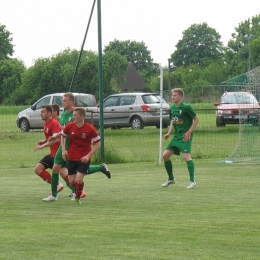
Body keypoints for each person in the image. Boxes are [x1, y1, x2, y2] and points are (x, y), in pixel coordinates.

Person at [43, 93, 110, 202]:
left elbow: (76, 130)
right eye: (62, 100)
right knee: (56, 168)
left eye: (65, 100)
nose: (62, 102)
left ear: (71, 102)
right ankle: (54, 195)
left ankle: (98, 170)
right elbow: (63, 132)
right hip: (64, 146)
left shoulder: (76, 114)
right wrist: (55, 138)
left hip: (75, 147)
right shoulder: (64, 115)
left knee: (80, 173)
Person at [61, 107, 101, 204]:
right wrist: (63, 150)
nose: (73, 117)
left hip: (84, 158)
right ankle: (78, 194)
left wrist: (88, 156)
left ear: (82, 116)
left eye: (75, 115)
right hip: (71, 157)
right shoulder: (70, 126)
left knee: (79, 179)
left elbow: (97, 144)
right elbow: (63, 135)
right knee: (72, 181)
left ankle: (78, 197)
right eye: (73, 115)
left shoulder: (90, 129)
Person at [162, 88, 199, 189]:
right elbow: (173, 122)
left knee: (186, 157)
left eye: (174, 95)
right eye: (172, 95)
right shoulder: (172, 108)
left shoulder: (187, 107)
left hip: (185, 136)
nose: (172, 97)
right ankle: (171, 179)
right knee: (165, 156)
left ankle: (192, 181)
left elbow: (196, 119)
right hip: (176, 137)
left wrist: (189, 131)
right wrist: (169, 133)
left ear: (180, 97)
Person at [34, 105, 64, 193]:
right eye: (40, 112)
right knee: (38, 169)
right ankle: (57, 185)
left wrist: (43, 146)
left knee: (68, 174)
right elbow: (51, 137)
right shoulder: (46, 123)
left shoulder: (54, 123)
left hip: (58, 154)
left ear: (49, 113)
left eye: (43, 112)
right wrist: (44, 141)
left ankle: (78, 191)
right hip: (53, 154)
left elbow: (57, 139)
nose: (41, 114)